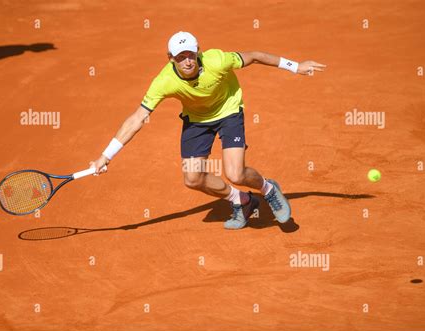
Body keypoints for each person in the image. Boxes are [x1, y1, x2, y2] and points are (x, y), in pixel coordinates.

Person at [90, 31, 326, 229]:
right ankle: (242, 201)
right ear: (170, 58)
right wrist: (105, 156)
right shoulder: (163, 82)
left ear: (198, 52)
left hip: (229, 111)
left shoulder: (216, 60)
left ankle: (269, 189)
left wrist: (295, 66)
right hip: (197, 120)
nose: (187, 62)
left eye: (190, 55)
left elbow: (253, 56)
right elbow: (137, 119)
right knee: (193, 179)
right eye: (180, 57)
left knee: (235, 174)